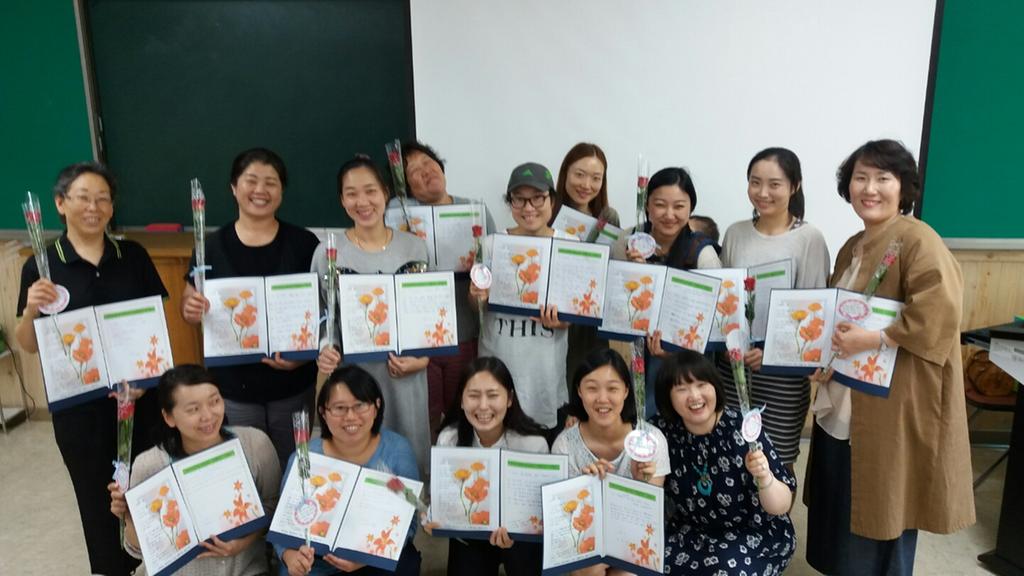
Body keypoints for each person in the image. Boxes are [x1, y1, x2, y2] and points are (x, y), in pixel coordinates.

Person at [805, 139, 975, 574]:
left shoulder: (918, 239)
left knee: (883, 503)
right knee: (843, 500)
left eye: (883, 178)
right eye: (860, 177)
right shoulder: (853, 244)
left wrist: (876, 338)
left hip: (892, 402)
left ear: (904, 187)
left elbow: (939, 311)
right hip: (847, 393)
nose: (870, 188)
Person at [16, 161, 167, 576]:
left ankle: (157, 564)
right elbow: (28, 344)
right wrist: (30, 310)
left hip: (140, 402)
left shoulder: (132, 255)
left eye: (103, 199)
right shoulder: (42, 266)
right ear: (60, 203)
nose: (93, 207)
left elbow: (153, 325)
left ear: (112, 207)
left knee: (148, 491)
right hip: (79, 412)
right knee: (96, 500)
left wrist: (147, 378)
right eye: (83, 197)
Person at [181, 147, 320, 470]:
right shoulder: (210, 246)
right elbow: (189, 305)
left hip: (293, 383)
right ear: (234, 187)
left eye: (271, 182)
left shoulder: (304, 243)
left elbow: (323, 311)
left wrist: (304, 356)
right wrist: (190, 309)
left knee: (294, 466)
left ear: (282, 191)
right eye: (251, 180)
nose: (261, 190)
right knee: (245, 467)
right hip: (233, 385)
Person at [314, 155, 431, 475]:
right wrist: (325, 347)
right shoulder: (328, 252)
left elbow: (429, 314)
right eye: (351, 194)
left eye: (370, 191)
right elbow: (321, 315)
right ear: (342, 200)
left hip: (404, 376)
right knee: (355, 460)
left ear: (385, 193)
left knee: (406, 466)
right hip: (353, 379)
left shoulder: (414, 248)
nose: (362, 202)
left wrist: (422, 360)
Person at [717, 147, 830, 469]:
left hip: (782, 379)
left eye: (774, 184)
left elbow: (813, 317)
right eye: (755, 182)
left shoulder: (809, 238)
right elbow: (725, 301)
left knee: (776, 465)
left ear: (795, 186)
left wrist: (770, 355)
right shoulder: (735, 233)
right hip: (732, 370)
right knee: (731, 459)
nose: (763, 192)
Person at [109, 364, 280, 576]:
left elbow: (273, 507)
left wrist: (242, 543)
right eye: (193, 409)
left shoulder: (255, 444)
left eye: (214, 401)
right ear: (169, 417)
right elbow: (138, 550)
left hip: (245, 570)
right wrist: (129, 516)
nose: (207, 415)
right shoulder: (150, 465)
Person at [388, 140, 496, 439]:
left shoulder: (475, 210)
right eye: (413, 172)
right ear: (405, 187)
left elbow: (493, 267)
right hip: (420, 340)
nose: (425, 171)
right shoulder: (400, 215)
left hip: (466, 333)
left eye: (428, 162)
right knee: (427, 418)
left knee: (464, 415)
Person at [653, 349, 796, 575]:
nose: (694, 396)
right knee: (648, 563)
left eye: (701, 384)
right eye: (682, 389)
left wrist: (765, 477)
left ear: (715, 387)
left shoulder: (743, 430)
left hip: (752, 533)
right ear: (668, 396)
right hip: (689, 533)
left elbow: (781, 506)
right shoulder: (661, 431)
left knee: (728, 569)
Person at [277, 365, 421, 576]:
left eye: (360, 405)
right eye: (339, 408)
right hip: (317, 561)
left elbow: (410, 521)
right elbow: (283, 525)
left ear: (376, 406)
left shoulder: (397, 450)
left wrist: (367, 556)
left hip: (376, 556)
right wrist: (290, 556)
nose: (350, 416)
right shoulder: (305, 457)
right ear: (323, 412)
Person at [611, 166, 722, 417]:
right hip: (636, 354)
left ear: (691, 208)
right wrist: (633, 272)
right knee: (639, 419)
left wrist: (676, 349)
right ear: (647, 205)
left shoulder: (702, 254)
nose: (669, 214)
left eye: (679, 206)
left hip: (687, 366)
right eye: (660, 205)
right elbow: (615, 303)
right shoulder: (627, 241)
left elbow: (713, 324)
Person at [470, 162, 572, 430]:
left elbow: (576, 312)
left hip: (545, 371)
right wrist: (477, 297)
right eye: (519, 199)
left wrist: (563, 321)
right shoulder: (490, 245)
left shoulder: (570, 246)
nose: (529, 208)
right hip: (500, 362)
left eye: (537, 198)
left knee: (543, 440)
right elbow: (476, 304)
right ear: (510, 203)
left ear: (552, 200)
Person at [551, 348, 668, 576]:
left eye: (612, 388)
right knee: (590, 570)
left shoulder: (650, 440)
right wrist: (587, 488)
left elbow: (647, 519)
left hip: (633, 537)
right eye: (592, 388)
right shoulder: (565, 445)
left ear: (626, 391)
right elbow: (565, 521)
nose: (602, 399)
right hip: (587, 537)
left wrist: (640, 482)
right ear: (579, 391)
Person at [427, 356, 548, 575]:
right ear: (461, 400)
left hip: (520, 538)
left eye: (493, 395)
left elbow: (541, 511)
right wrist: (432, 517)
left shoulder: (533, 444)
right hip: (470, 534)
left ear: (509, 399)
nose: (483, 406)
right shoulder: (449, 439)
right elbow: (443, 498)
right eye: (473, 395)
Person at [551, 143, 620, 396]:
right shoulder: (546, 213)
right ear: (565, 174)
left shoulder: (608, 218)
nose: (586, 185)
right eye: (579, 174)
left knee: (586, 386)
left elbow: (613, 270)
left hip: (589, 325)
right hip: (552, 318)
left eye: (595, 178)